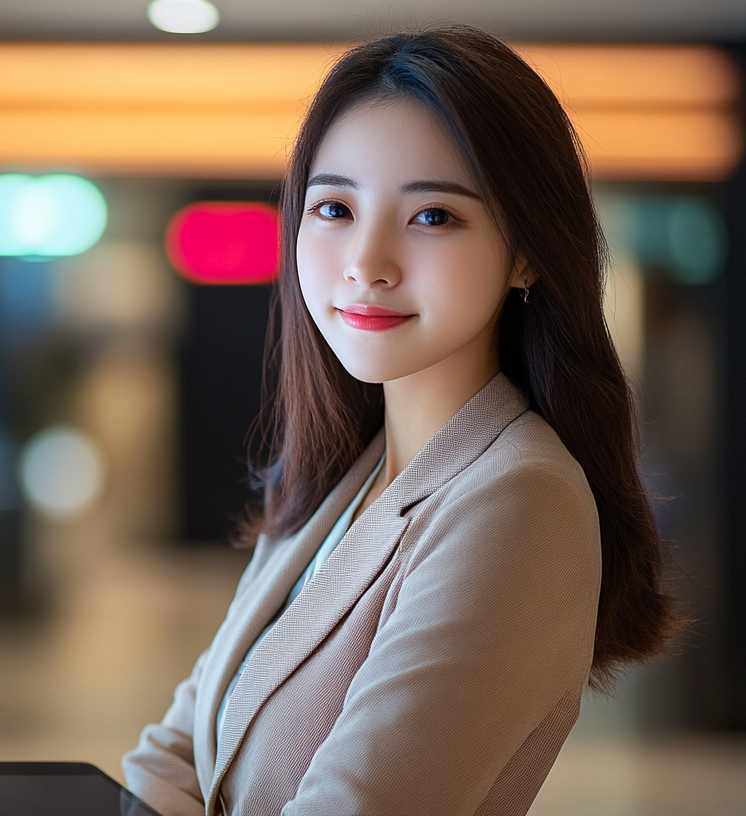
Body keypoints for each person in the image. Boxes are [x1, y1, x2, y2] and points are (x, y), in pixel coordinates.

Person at [123, 25, 682, 816]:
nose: (366, 261)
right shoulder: (345, 475)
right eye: (335, 207)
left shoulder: (519, 499)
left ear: (526, 252)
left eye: (432, 218)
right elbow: (172, 754)